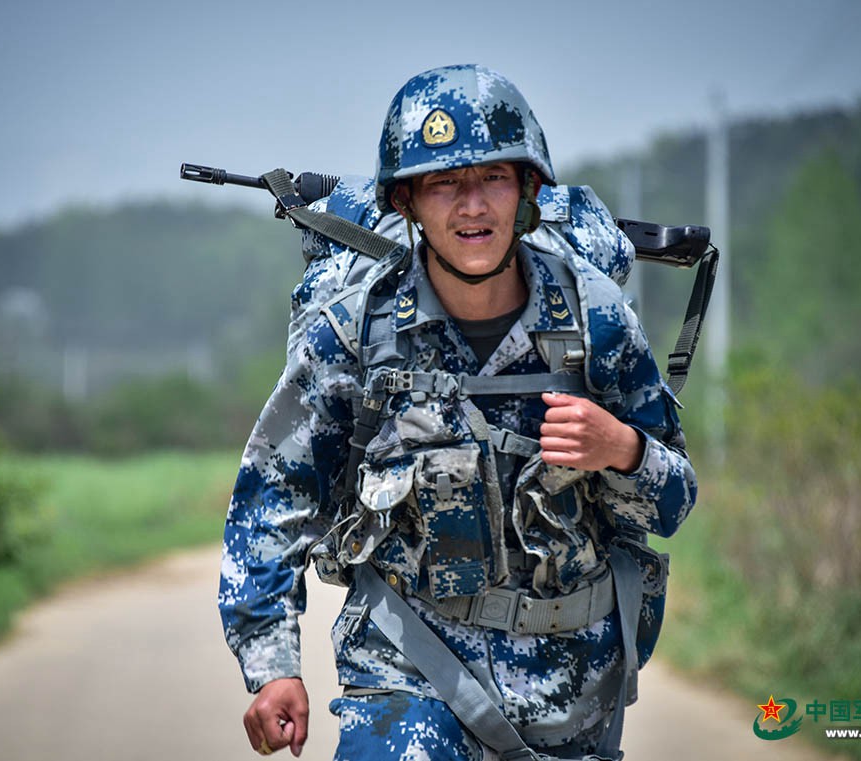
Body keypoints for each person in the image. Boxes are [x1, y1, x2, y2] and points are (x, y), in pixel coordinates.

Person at [219, 64, 697, 760]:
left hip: (570, 686)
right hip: (407, 672)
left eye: (493, 179)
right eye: (444, 183)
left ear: (528, 189)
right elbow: (274, 497)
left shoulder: (597, 320)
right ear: (407, 200)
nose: (471, 206)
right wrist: (272, 667)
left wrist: (622, 449)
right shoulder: (356, 329)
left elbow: (674, 503)